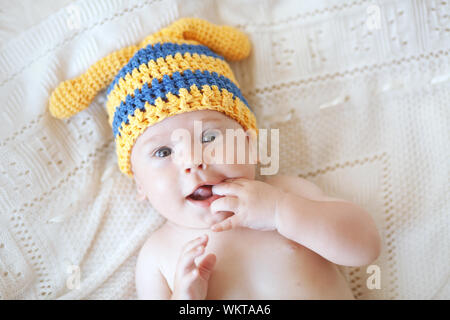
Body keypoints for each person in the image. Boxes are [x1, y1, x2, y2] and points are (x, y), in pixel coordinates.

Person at [48, 17, 381, 300]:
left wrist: (282, 212)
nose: (193, 161)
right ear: (139, 184)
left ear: (250, 144)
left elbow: (366, 247)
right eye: (163, 152)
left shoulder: (289, 193)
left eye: (209, 137)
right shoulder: (159, 255)